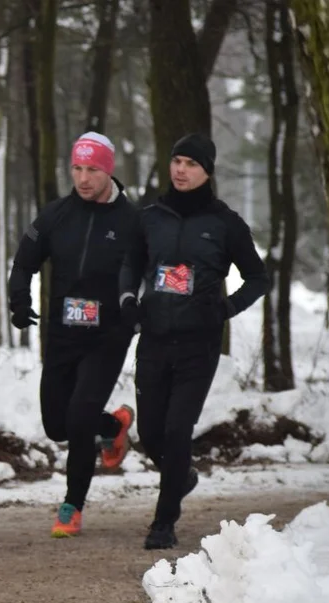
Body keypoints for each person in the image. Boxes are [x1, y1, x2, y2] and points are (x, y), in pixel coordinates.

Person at [119, 133, 268, 550]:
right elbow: (130, 263)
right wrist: (128, 298)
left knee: (178, 428)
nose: (181, 170)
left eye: (191, 164)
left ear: (207, 172)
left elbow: (258, 278)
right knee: (150, 432)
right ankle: (180, 478)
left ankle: (163, 522)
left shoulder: (225, 224)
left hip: (198, 345)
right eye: (176, 161)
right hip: (153, 339)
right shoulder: (149, 217)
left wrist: (225, 309)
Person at [7, 132, 140, 539]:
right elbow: (25, 260)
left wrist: (139, 309)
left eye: (92, 170)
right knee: (56, 425)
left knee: (79, 418)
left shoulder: (132, 220)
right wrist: (18, 299)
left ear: (108, 171)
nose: (83, 178)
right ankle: (113, 426)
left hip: (108, 337)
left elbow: (148, 271)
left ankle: (72, 506)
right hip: (63, 334)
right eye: (77, 168)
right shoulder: (56, 215)